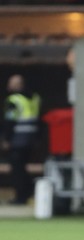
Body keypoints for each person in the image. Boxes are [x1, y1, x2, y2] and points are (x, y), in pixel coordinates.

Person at [2, 74, 41, 204]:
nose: (8, 86)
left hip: (18, 140)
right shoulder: (34, 98)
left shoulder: (14, 100)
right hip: (31, 139)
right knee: (23, 168)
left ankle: (21, 197)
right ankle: (27, 193)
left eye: (11, 83)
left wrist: (6, 139)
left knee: (17, 169)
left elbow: (10, 121)